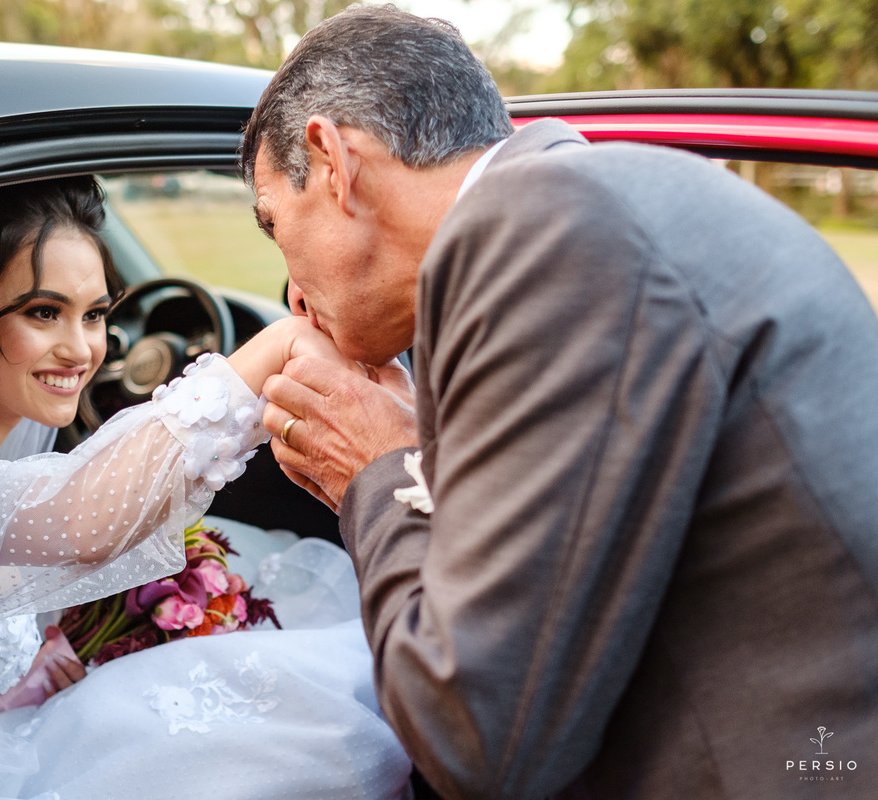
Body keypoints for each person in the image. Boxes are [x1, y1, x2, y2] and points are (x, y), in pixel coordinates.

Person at [243, 5, 878, 799]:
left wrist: (376, 472)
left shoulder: (541, 232)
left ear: (333, 161)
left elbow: (478, 735)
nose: (294, 296)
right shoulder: (572, 202)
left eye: (275, 225)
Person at [0, 175, 411, 798]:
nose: (81, 349)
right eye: (43, 313)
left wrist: (21, 676)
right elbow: (76, 518)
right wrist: (278, 346)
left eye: (93, 315)